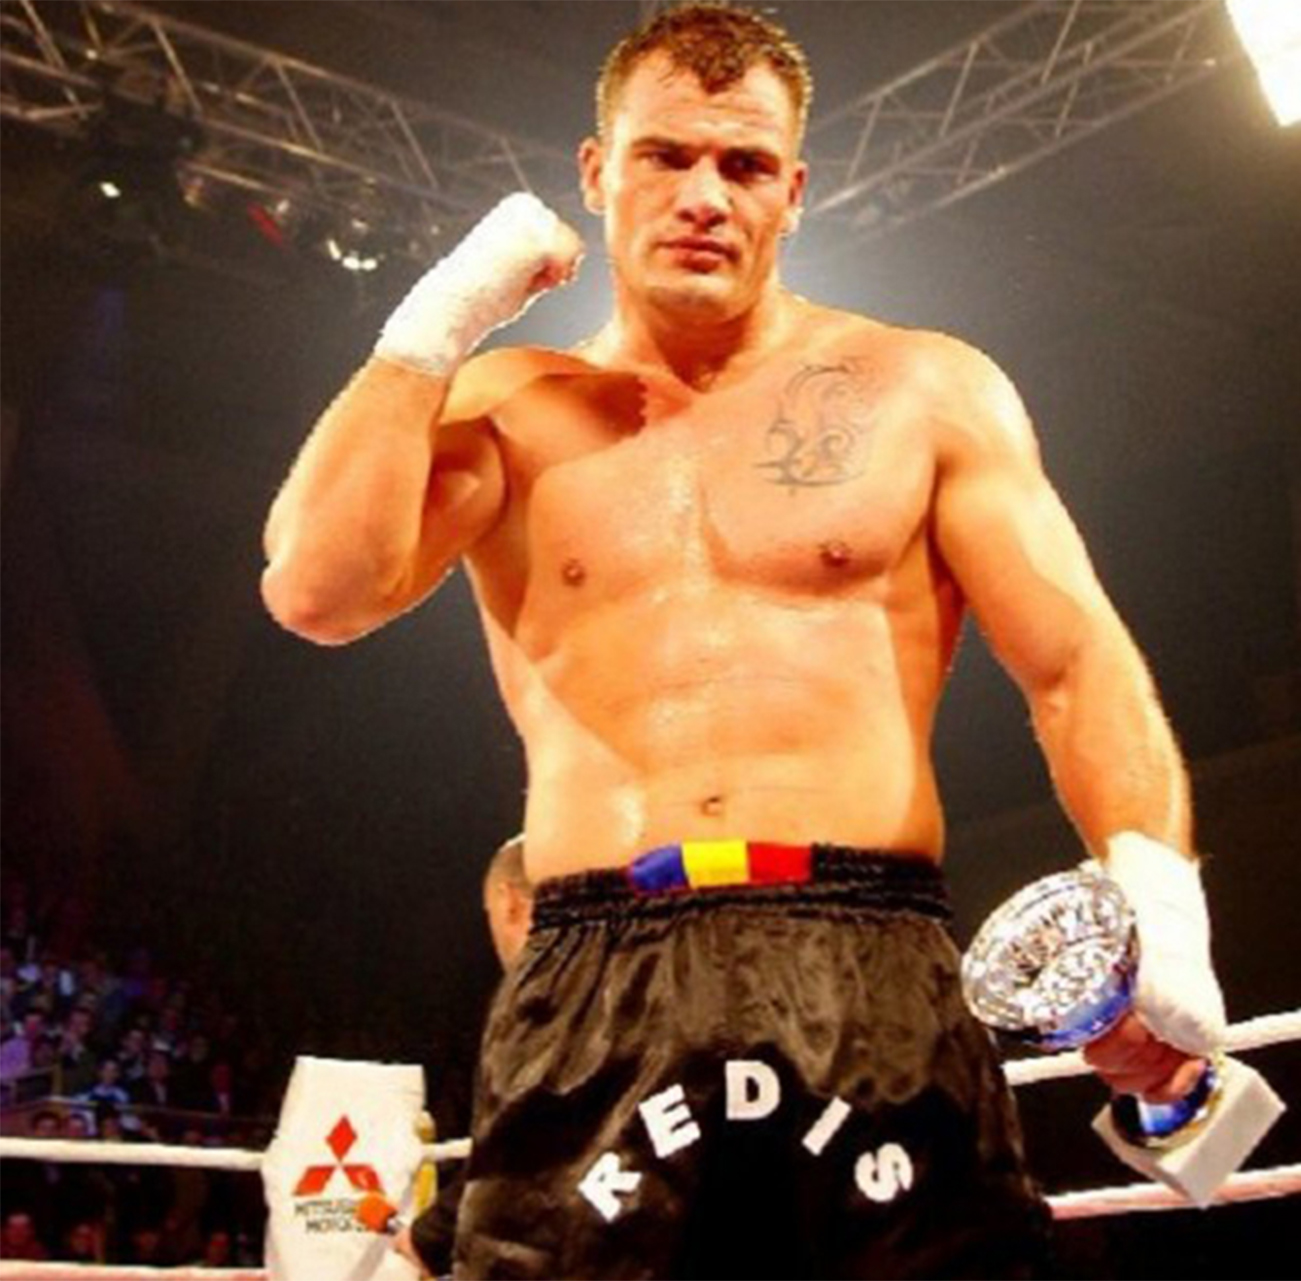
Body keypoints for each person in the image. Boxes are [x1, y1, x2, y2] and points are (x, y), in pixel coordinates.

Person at [261, 4, 1228, 1276]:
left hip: (867, 958)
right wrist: (437, 322)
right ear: (596, 172)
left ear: (794, 192)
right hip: (596, 968)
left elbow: (1075, 664)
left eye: (745, 165)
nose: (704, 197)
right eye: (665, 156)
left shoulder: (923, 390)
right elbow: (318, 591)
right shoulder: (508, 411)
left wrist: (1160, 904)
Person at [393, 834, 535, 1279]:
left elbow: (525, 1133)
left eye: (490, 915)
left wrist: (433, 1234)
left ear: (509, 902)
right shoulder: (621, 967)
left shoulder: (540, 991)